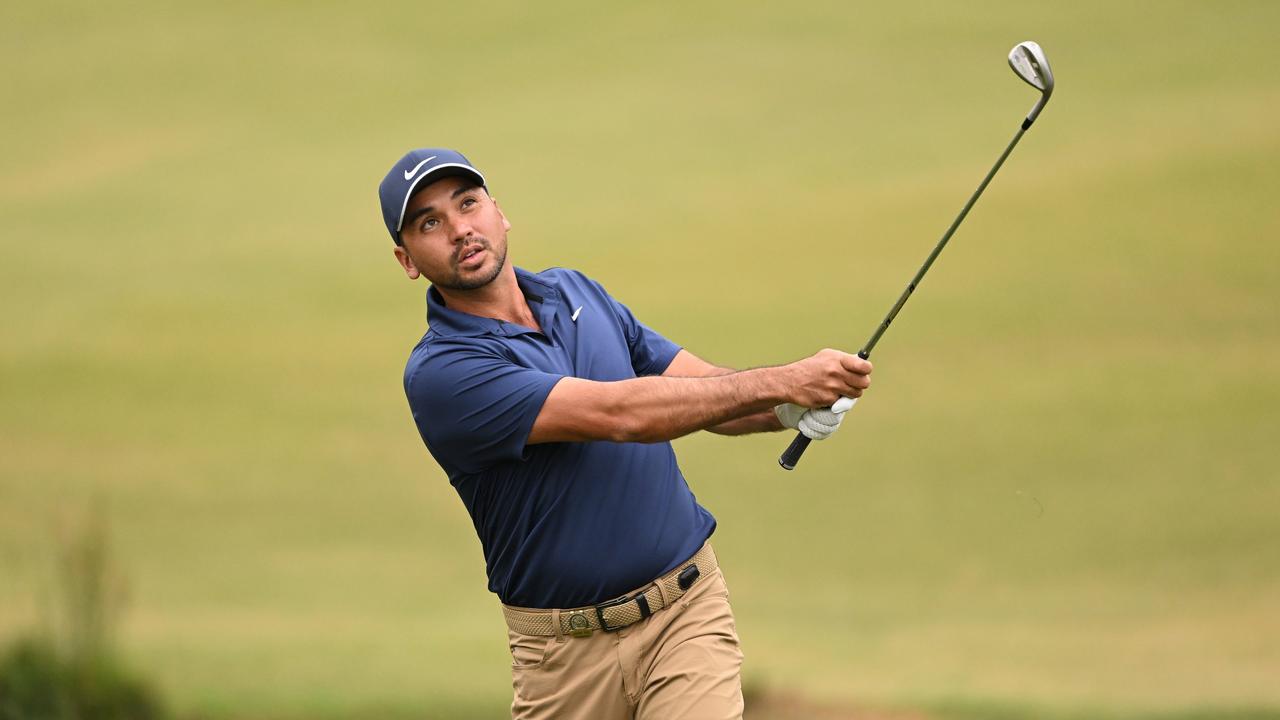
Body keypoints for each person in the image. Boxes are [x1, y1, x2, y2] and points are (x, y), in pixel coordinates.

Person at [377, 148, 872, 720]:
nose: (461, 228)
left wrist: (784, 409)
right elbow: (621, 415)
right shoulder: (444, 373)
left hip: (685, 614)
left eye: (469, 203)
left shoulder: (576, 293)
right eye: (430, 223)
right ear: (407, 259)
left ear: (499, 212)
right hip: (562, 660)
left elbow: (703, 391)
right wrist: (782, 381)